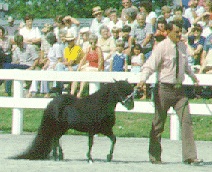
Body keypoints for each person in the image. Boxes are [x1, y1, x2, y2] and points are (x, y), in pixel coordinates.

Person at [137, 21, 203, 165]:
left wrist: (193, 77)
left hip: (179, 91)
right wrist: (142, 80)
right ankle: (155, 156)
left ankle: (190, 157)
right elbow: (150, 65)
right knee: (159, 123)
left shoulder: (182, 46)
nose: (180, 34)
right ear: (168, 32)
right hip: (163, 90)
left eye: (180, 31)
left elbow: (185, 66)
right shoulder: (161, 47)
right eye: (176, 32)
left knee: (187, 121)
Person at [71, 34, 104, 98]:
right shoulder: (88, 49)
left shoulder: (98, 49)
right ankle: (72, 93)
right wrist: (79, 67)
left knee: (85, 74)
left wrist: (98, 70)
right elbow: (83, 59)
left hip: (96, 67)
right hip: (89, 67)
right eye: (91, 42)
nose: (92, 44)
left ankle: (80, 93)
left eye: (94, 42)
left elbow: (101, 60)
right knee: (77, 75)